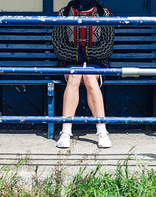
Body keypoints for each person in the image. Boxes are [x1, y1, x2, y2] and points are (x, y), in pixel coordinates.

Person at [52, 0, 114, 148]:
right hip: (70, 62)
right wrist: (79, 57)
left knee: (89, 77)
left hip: (96, 62)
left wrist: (86, 56)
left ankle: (102, 131)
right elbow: (59, 47)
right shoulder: (64, 13)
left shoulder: (103, 13)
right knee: (74, 77)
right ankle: (66, 131)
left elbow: (107, 46)